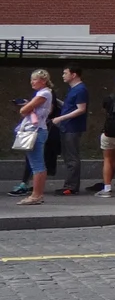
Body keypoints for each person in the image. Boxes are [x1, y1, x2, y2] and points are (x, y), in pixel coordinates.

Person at [14, 70, 55, 205]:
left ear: (43, 81)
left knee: (36, 164)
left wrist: (27, 106)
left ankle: (36, 195)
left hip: (35, 131)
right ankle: (37, 194)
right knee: (37, 163)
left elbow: (23, 111)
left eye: (35, 79)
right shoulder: (45, 93)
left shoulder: (43, 93)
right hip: (39, 130)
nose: (32, 82)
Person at [52, 65, 88, 195]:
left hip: (72, 127)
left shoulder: (80, 90)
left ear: (74, 75)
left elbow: (81, 109)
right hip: (67, 126)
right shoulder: (73, 90)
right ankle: (69, 184)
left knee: (72, 156)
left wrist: (60, 118)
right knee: (68, 156)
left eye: (65, 73)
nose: (63, 75)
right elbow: (70, 106)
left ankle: (71, 186)